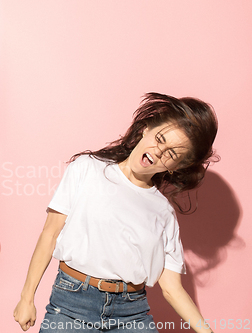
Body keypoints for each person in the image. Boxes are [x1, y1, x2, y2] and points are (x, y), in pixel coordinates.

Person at [13, 93, 218, 332]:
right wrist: (27, 298)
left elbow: (172, 288)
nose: (159, 151)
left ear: (178, 167)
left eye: (172, 154)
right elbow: (49, 235)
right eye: (160, 138)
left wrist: (208, 331)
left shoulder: (163, 212)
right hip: (72, 304)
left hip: (132, 313)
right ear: (146, 129)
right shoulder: (87, 169)